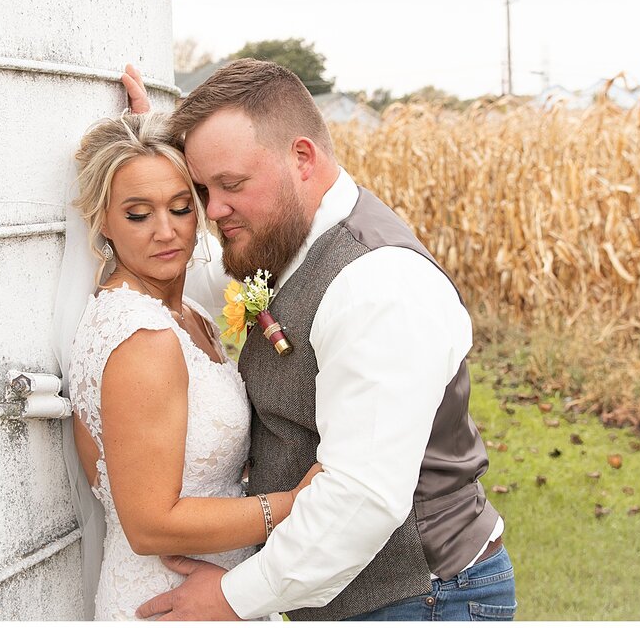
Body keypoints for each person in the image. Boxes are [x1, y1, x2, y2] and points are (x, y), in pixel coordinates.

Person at [124, 59, 517, 621]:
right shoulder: (283, 239)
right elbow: (201, 276)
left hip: (421, 598)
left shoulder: (379, 286)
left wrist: (232, 598)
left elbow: (361, 497)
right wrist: (149, 168)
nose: (213, 211)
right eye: (203, 189)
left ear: (301, 158)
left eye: (230, 185)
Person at [51, 107, 320, 620]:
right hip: (168, 599)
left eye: (179, 207)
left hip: (217, 589)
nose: (164, 231)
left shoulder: (189, 314)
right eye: (137, 213)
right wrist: (294, 505)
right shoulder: (141, 339)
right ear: (102, 221)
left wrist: (152, 129)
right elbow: (150, 524)